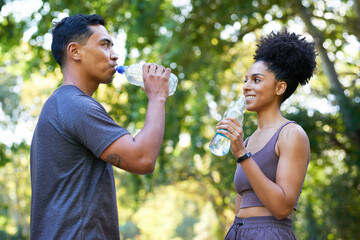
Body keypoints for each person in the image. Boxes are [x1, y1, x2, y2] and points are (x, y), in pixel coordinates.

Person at [30, 14, 171, 239]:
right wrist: (157, 98)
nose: (114, 55)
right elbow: (142, 159)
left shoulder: (60, 104)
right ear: (74, 51)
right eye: (105, 45)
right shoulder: (77, 106)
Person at [218, 30, 316, 239]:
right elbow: (240, 206)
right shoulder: (247, 140)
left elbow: (281, 208)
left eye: (256, 80)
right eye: (246, 80)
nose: (246, 87)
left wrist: (242, 155)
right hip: (237, 232)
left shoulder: (291, 134)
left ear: (280, 87)